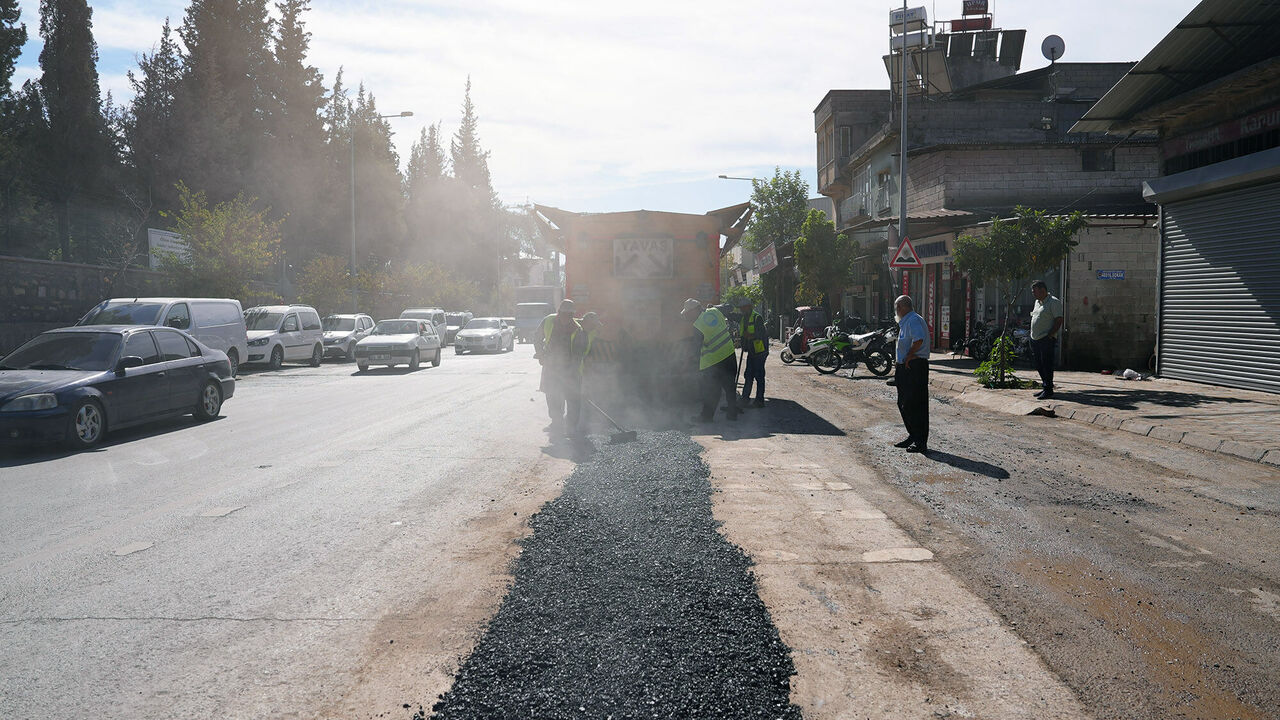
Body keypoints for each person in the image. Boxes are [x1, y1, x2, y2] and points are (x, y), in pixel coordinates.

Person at [681, 298, 739, 423]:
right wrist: (714, 306)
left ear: (695, 310)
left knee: (711, 391)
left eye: (688, 313)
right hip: (729, 355)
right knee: (730, 387)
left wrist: (688, 362)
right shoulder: (714, 310)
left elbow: (696, 349)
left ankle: (706, 417)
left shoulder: (697, 326)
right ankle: (732, 414)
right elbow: (729, 306)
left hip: (713, 362)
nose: (687, 316)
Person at [535, 299, 580, 433]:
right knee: (552, 394)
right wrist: (540, 354)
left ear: (572, 315)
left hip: (569, 367)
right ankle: (556, 421)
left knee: (571, 396)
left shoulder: (577, 329)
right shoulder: (548, 321)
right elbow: (537, 338)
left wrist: (573, 369)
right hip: (550, 365)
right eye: (564, 314)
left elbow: (579, 352)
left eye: (569, 315)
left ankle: (571, 425)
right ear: (559, 312)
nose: (566, 317)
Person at [893, 294, 930, 454]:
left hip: (914, 366)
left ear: (901, 307)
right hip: (905, 366)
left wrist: (909, 355)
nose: (896, 311)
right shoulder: (906, 321)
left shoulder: (913, 320)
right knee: (903, 403)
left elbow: (919, 340)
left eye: (897, 308)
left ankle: (920, 441)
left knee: (914, 404)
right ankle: (912, 436)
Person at [564, 312, 602, 439]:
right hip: (570, 372)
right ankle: (570, 430)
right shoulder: (579, 333)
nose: (595, 328)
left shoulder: (585, 332)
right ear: (588, 323)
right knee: (573, 401)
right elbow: (574, 356)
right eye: (594, 325)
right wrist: (575, 378)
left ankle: (571, 428)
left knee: (574, 401)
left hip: (575, 372)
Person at [1029, 280, 1064, 400]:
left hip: (1046, 339)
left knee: (1047, 364)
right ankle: (1045, 386)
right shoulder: (1037, 302)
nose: (1033, 293)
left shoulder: (1054, 302)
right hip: (1035, 338)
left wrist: (1050, 335)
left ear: (1042, 290)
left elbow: (1059, 320)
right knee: (1039, 364)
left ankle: (1048, 389)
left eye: (1035, 291)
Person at [736, 297, 768, 408]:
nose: (742, 311)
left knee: (759, 375)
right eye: (741, 309)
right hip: (752, 351)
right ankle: (745, 399)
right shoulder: (744, 318)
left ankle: (759, 401)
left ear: (749, 307)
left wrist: (748, 336)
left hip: (760, 351)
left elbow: (760, 334)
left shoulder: (757, 318)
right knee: (748, 374)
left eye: (743, 308)